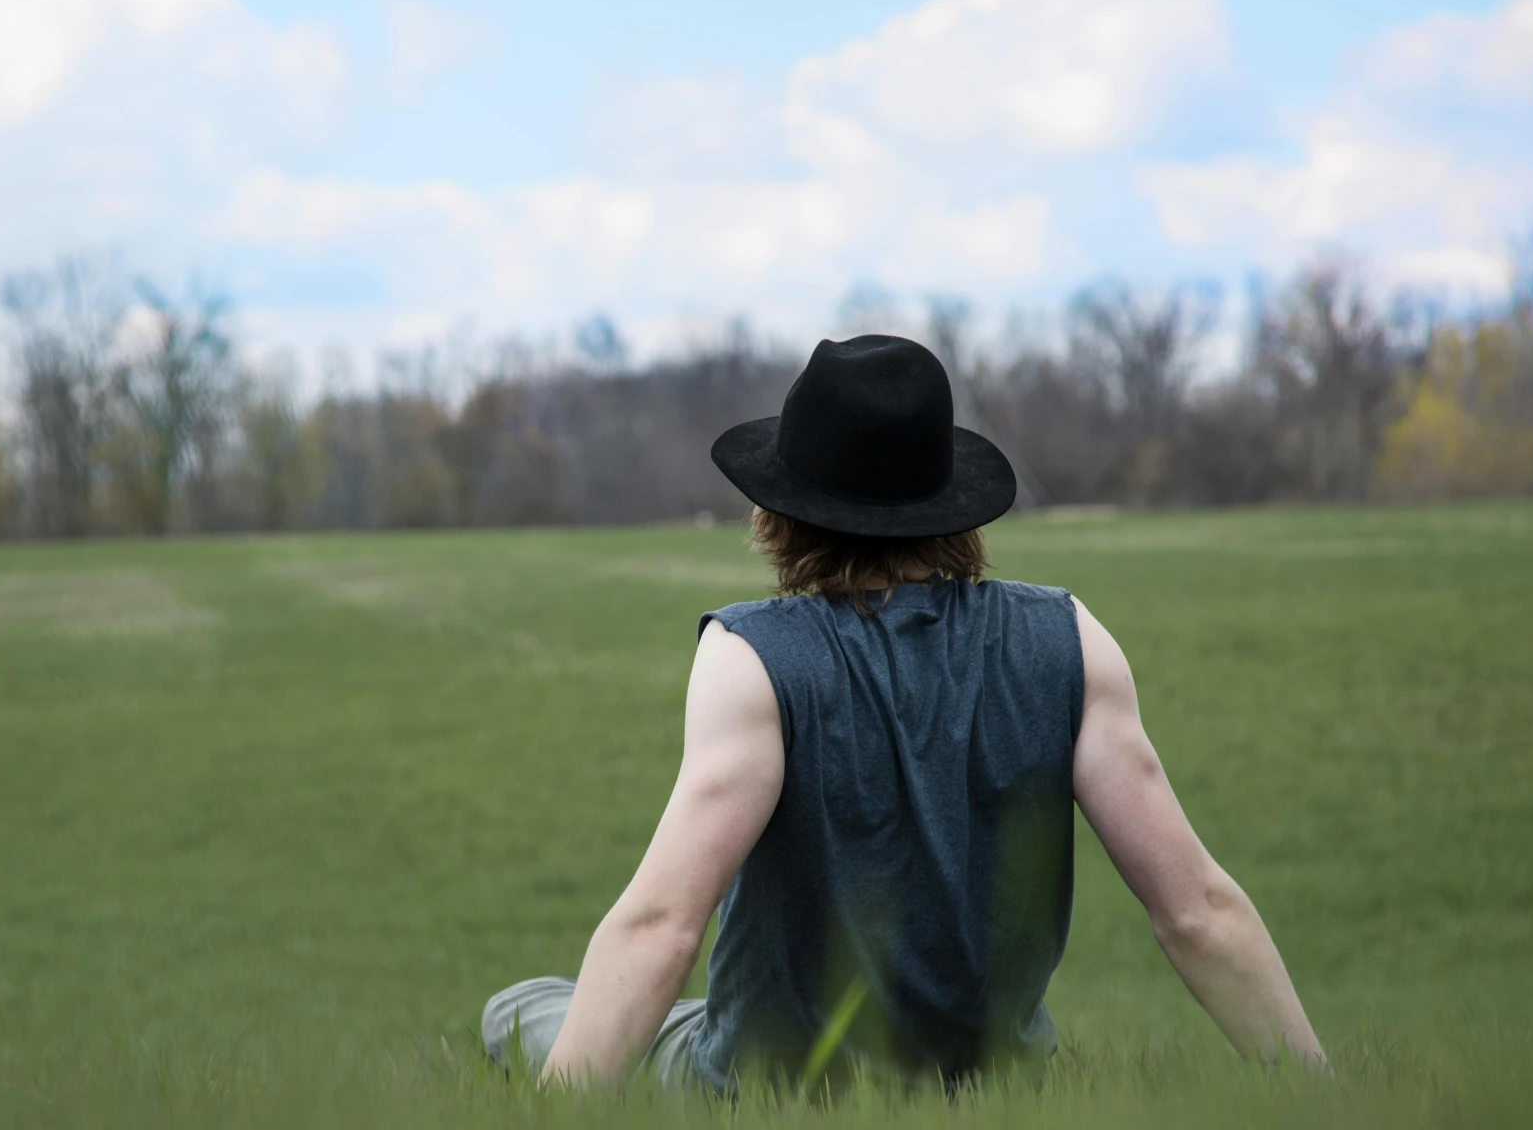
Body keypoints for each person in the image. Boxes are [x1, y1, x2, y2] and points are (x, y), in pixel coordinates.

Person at [482, 334, 1326, 1091]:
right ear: (947, 500)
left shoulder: (752, 657)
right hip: (993, 1090)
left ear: (779, 512)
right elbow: (1197, 912)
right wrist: (1328, 1097)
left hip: (767, 1092)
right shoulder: (1070, 640)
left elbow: (662, 926)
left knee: (517, 1007)